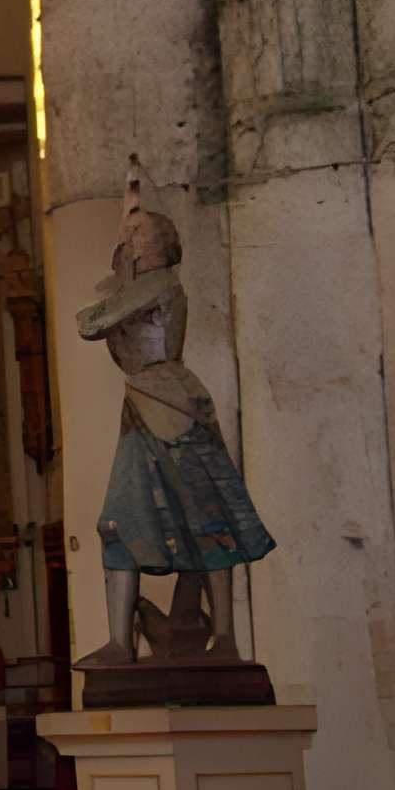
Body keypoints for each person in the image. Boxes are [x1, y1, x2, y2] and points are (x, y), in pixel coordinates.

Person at [71, 156, 273, 667]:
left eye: (133, 239)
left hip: (167, 403)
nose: (128, 246)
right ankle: (123, 643)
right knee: (122, 523)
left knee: (208, 519)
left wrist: (115, 282)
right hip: (147, 404)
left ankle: (223, 639)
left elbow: (90, 322)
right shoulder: (146, 284)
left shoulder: (154, 283)